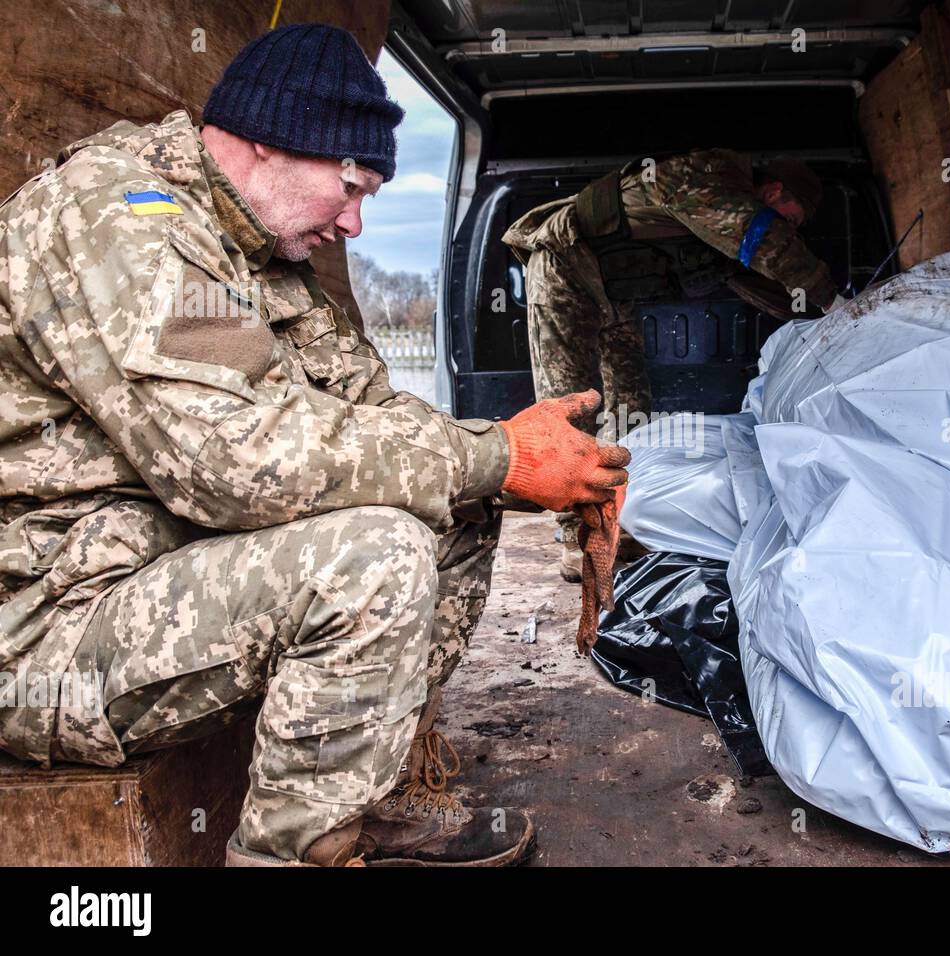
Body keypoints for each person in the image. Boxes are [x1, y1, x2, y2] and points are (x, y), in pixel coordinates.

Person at [0, 23, 629, 867]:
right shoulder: (120, 216)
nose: (357, 223)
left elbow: (372, 414)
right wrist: (496, 456)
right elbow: (236, 464)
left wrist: (529, 460)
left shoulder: (257, 256)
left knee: (454, 496)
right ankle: (294, 856)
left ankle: (369, 793)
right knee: (374, 556)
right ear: (269, 138)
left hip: (156, 573)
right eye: (349, 186)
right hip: (50, 624)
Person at [502, 148, 846, 580]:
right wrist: (832, 300)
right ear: (774, 190)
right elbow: (765, 239)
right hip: (564, 266)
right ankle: (578, 539)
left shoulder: (719, 226)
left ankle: (616, 517)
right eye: (791, 217)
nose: (791, 229)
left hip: (612, 294)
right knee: (573, 408)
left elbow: (762, 286)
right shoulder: (710, 180)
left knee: (631, 403)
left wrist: (820, 321)